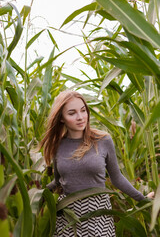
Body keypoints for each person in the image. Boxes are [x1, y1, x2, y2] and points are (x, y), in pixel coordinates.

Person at [39, 90, 154, 237]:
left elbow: (117, 178)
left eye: (83, 110)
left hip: (99, 213)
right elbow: (57, 181)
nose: (80, 117)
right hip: (67, 216)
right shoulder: (57, 145)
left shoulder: (103, 140)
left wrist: (143, 200)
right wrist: (34, 196)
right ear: (61, 118)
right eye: (72, 113)